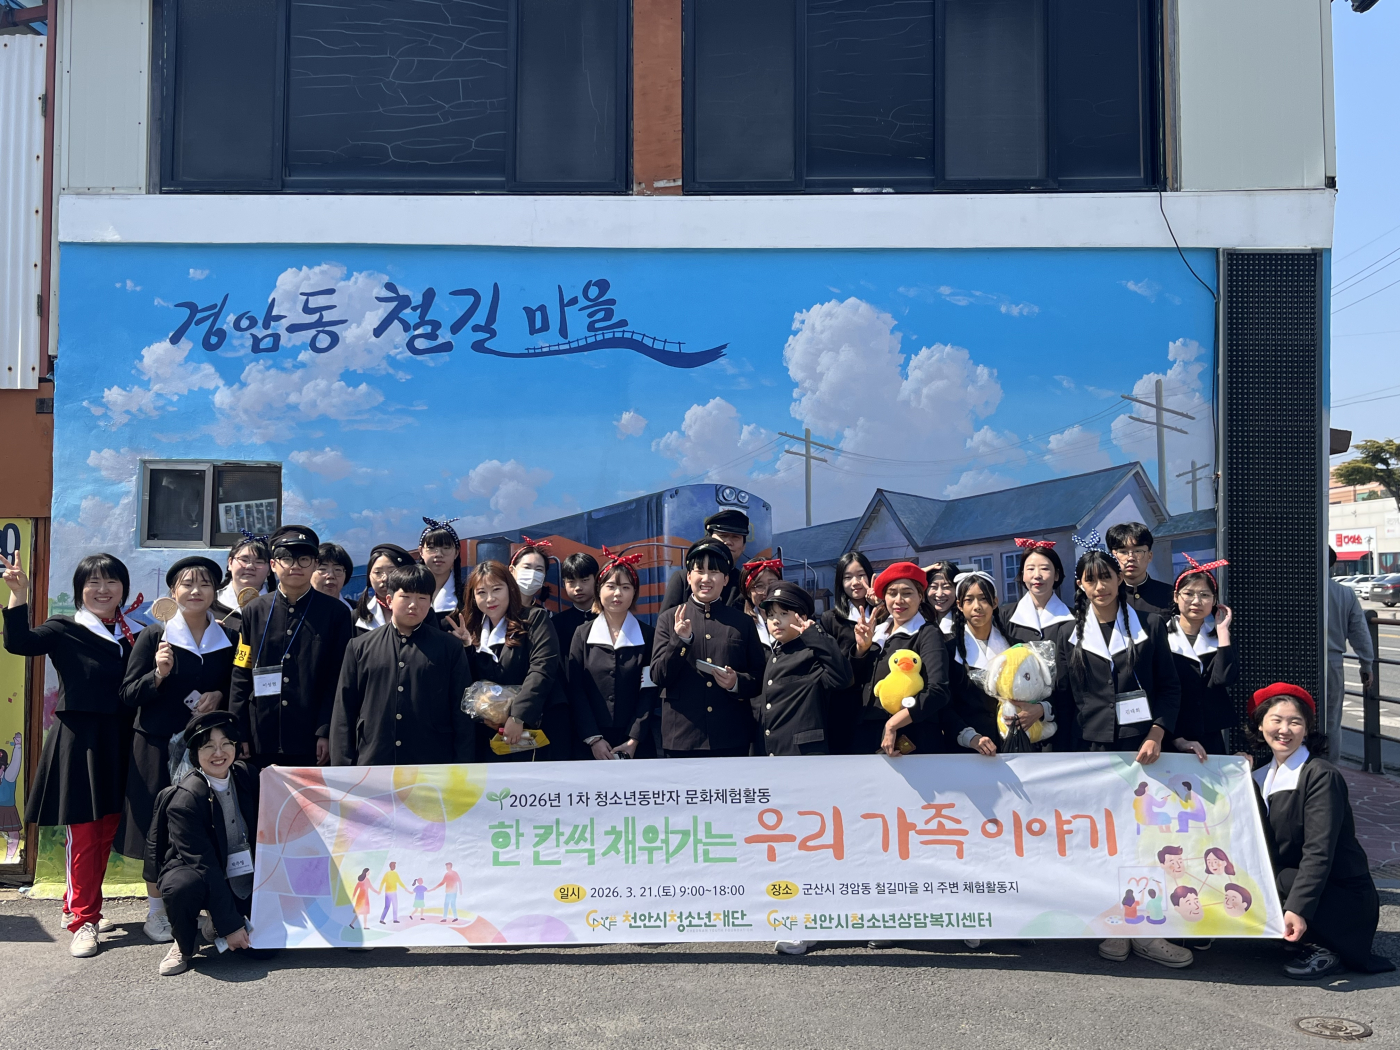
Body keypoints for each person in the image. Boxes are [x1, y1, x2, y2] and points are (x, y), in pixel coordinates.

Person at [1057, 547, 1186, 969]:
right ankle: (1114, 924)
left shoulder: (1150, 623)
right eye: (1090, 579)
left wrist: (1157, 733)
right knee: (1103, 842)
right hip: (1090, 750)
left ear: (1118, 579)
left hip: (1141, 751)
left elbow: (1169, 687)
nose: (1100, 586)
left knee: (1144, 842)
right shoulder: (1067, 633)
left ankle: (1148, 932)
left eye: (1106, 577)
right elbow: (1061, 697)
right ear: (1080, 585)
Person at [3, 551, 136, 958]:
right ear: (80, 590)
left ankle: (76, 906)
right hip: (80, 741)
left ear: (123, 588)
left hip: (120, 740)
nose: (103, 589)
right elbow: (19, 643)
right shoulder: (64, 628)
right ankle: (83, 920)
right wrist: (19, 595)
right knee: (86, 833)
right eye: (93, 582)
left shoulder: (134, 633)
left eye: (111, 581)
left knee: (108, 830)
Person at [117, 556, 236, 945]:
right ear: (173, 592)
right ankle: (156, 912)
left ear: (215, 591)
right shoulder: (155, 636)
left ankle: (205, 909)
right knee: (157, 830)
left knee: (206, 827)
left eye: (205, 584)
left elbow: (237, 686)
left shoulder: (228, 638)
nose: (196, 591)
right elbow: (128, 693)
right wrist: (158, 674)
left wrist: (219, 695)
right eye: (187, 584)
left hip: (206, 753)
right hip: (155, 747)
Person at [1248, 682, 1395, 978]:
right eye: (1276, 720)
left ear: (1307, 729)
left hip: (1340, 893)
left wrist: (1298, 909)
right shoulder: (1259, 774)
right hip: (1297, 880)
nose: (1284, 729)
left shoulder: (1321, 776)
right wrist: (1236, 774)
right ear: (1261, 725)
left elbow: (1319, 851)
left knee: (1276, 879)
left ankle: (1325, 946)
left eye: (1295, 722)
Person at [228, 525, 353, 769]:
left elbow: (338, 678)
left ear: (314, 564)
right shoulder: (254, 611)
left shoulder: (335, 613)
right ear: (273, 565)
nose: (295, 566)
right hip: (260, 734)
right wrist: (238, 730)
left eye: (304, 559)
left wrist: (325, 730)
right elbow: (241, 672)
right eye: (286, 558)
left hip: (311, 739)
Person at [144, 711, 259, 977]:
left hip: (240, 876)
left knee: (261, 951)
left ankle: (214, 925)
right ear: (196, 753)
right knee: (182, 886)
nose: (219, 753)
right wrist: (231, 925)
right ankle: (183, 945)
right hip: (198, 872)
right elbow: (205, 866)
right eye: (208, 746)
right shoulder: (184, 799)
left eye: (226, 743)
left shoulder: (247, 776)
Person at [330, 564, 474, 766]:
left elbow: (462, 710)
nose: (413, 604)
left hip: (431, 761)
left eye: (422, 598)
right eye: (405, 597)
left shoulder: (449, 647)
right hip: (374, 758)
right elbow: (344, 710)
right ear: (389, 600)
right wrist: (342, 767)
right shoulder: (360, 646)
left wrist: (463, 764)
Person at [651, 538, 766, 758]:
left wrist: (736, 682)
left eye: (714, 572)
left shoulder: (742, 622)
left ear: (725, 579)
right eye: (699, 571)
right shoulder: (669, 619)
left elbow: (760, 676)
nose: (706, 578)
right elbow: (659, 676)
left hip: (731, 736)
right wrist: (680, 640)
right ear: (689, 577)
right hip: (683, 738)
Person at [461, 560, 564, 762]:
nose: (490, 598)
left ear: (510, 588)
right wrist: (466, 647)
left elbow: (542, 669)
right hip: (489, 734)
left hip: (534, 727)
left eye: (496, 589)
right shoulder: (471, 630)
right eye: (481, 592)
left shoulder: (534, 619)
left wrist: (518, 716)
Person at [942, 571, 1046, 756]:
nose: (977, 606)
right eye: (969, 600)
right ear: (959, 605)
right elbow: (944, 706)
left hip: (1015, 747)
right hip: (966, 751)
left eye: (983, 599)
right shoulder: (948, 651)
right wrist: (969, 737)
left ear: (995, 602)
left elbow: (1041, 689)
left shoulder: (1017, 647)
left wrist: (1040, 709)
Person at [567, 548, 656, 760]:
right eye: (611, 586)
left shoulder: (648, 635)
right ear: (599, 590)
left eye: (625, 587)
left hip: (636, 741)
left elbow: (650, 691)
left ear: (634, 593)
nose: (617, 594)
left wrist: (634, 739)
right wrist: (593, 738)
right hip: (589, 741)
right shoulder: (582, 634)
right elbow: (575, 689)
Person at [860, 562, 951, 756]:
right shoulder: (876, 633)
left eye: (907, 593)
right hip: (869, 734)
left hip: (911, 737)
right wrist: (861, 649)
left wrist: (894, 723)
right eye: (892, 593)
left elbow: (937, 690)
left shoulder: (927, 633)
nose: (899, 600)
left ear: (920, 596)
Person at [754, 582, 851, 759]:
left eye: (784, 613)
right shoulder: (775, 655)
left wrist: (815, 635)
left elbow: (842, 678)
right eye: (771, 615)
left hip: (805, 755)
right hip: (773, 754)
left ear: (803, 617)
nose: (776, 620)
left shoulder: (813, 652)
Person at [1167, 556, 1238, 757]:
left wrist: (1222, 632)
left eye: (1205, 595)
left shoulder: (1220, 640)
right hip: (1169, 735)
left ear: (1214, 600)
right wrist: (1176, 738)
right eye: (1189, 593)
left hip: (1208, 736)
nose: (1196, 601)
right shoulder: (1160, 636)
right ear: (1176, 596)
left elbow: (1224, 679)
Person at [819, 552, 880, 755]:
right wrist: (860, 651)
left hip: (880, 704)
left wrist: (880, 605)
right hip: (845, 707)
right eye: (847, 577)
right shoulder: (831, 619)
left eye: (861, 575)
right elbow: (832, 668)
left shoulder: (886, 614)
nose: (855, 582)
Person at [1326, 547, 1375, 762]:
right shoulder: (1345, 593)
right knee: (1331, 722)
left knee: (1295, 718)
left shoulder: (1295, 589)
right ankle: (1329, 771)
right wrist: (1366, 664)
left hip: (1296, 661)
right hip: (1332, 663)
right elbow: (1359, 632)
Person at [658, 508, 751, 613]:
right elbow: (665, 620)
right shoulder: (682, 580)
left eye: (735, 537)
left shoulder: (743, 583)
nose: (728, 542)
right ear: (709, 539)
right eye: (723, 536)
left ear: (744, 546)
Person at [1002, 540, 1074, 643]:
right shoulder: (1003, 616)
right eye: (1031, 569)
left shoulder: (1074, 618)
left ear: (1056, 575)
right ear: (1023, 575)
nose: (1037, 575)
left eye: (1044, 568)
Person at [1105, 522, 1174, 616]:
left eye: (1138, 551)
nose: (1130, 558)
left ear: (1149, 556)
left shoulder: (1170, 595)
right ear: (1112, 557)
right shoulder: (1105, 595)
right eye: (1123, 552)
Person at [211, 533, 272, 632]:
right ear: (230, 563)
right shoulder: (210, 602)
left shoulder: (277, 606)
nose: (250, 566)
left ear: (270, 568)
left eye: (259, 562)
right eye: (244, 560)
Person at [353, 543, 416, 635]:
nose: (385, 578)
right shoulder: (356, 616)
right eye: (377, 572)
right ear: (369, 576)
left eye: (392, 571)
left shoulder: (421, 610)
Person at [553, 551, 600, 654]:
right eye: (571, 582)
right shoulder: (556, 623)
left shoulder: (609, 619)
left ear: (597, 580)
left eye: (584, 580)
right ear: (564, 584)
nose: (578, 587)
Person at [419, 517, 464, 618]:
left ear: (456, 552)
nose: (439, 554)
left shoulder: (467, 594)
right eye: (431, 548)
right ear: (421, 551)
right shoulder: (409, 590)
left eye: (446, 548)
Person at [741, 557, 783, 647]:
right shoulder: (740, 627)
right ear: (748, 592)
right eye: (759, 586)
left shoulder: (797, 620)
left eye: (772, 584)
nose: (766, 592)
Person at [510, 537, 554, 611]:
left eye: (539, 569)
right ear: (511, 570)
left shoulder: (543, 614)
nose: (532, 574)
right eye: (527, 567)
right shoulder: (497, 610)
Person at [312, 542, 356, 612]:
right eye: (322, 569)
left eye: (337, 569)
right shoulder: (297, 610)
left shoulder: (360, 612)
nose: (331, 576)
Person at [922, 561, 960, 636]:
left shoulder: (967, 622)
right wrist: (917, 573)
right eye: (933, 587)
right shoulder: (918, 620)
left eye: (946, 587)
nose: (939, 594)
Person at [0, 732, 20, 863]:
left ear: (3, 767)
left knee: (13, 834)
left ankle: (9, 859)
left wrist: (18, 746)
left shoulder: (8, 776)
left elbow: (15, 764)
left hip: (7, 809)